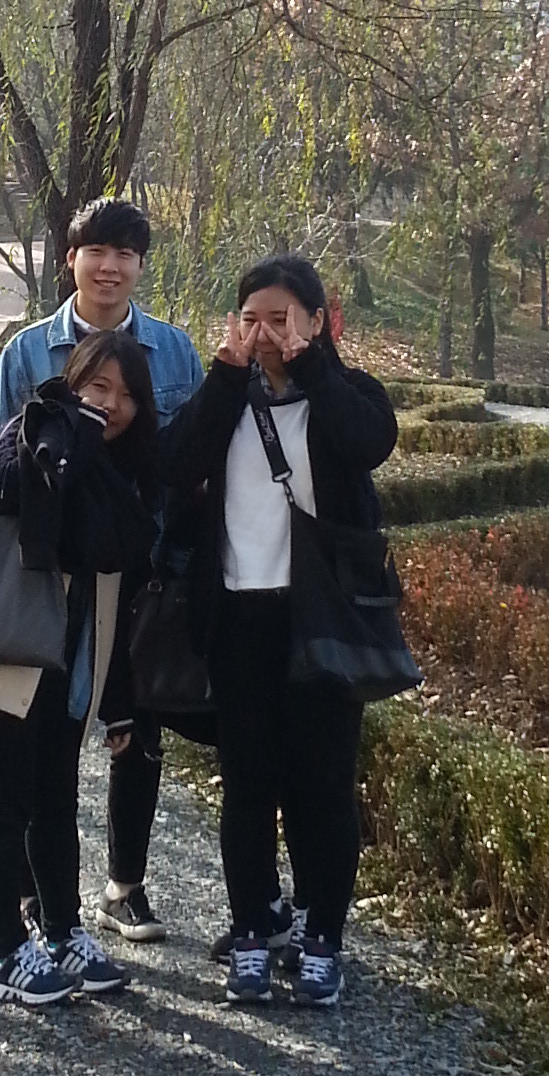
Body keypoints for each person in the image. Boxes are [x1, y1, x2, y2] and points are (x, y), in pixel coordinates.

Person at [159, 253, 398, 1011]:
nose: (264, 333)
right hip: (240, 615)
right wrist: (225, 377)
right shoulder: (227, 397)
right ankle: (253, 932)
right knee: (248, 786)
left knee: (323, 786)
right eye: (251, 318)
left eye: (282, 318)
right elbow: (174, 463)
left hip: (321, 618)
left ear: (318, 321)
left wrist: (312, 367)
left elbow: (369, 442)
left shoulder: (348, 393)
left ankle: (322, 936)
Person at [0, 196, 205, 943]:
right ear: (71, 258)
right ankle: (37, 897)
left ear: (140, 265)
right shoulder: (27, 353)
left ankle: (124, 885)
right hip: (52, 575)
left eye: (125, 254)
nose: (110, 267)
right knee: (46, 736)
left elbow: (194, 462)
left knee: (138, 731)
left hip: (145, 568)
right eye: (95, 251)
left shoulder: (174, 352)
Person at [0, 329, 161, 1008]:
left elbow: (127, 545)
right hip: (0, 650)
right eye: (98, 386)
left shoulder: (123, 467)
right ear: (72, 381)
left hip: (67, 662)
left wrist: (119, 704)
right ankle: (7, 952)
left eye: (125, 394)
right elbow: (6, 491)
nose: (111, 404)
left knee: (57, 804)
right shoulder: (36, 428)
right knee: (5, 806)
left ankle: (63, 931)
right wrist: (73, 431)